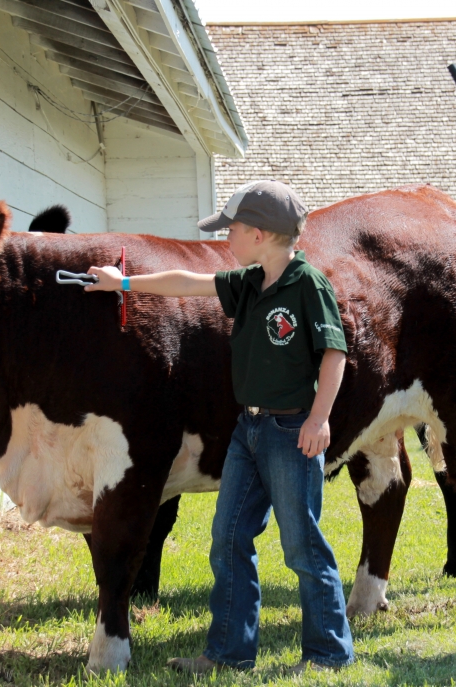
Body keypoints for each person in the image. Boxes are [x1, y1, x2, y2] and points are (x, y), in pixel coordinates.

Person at [85, 180, 355, 673]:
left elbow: (334, 354)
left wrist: (319, 418)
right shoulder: (250, 281)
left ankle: (328, 654)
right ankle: (229, 653)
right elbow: (188, 283)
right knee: (229, 540)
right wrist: (123, 283)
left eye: (230, 229)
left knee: (302, 546)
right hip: (245, 433)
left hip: (291, 433)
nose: (224, 238)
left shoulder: (307, 285)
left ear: (259, 234)